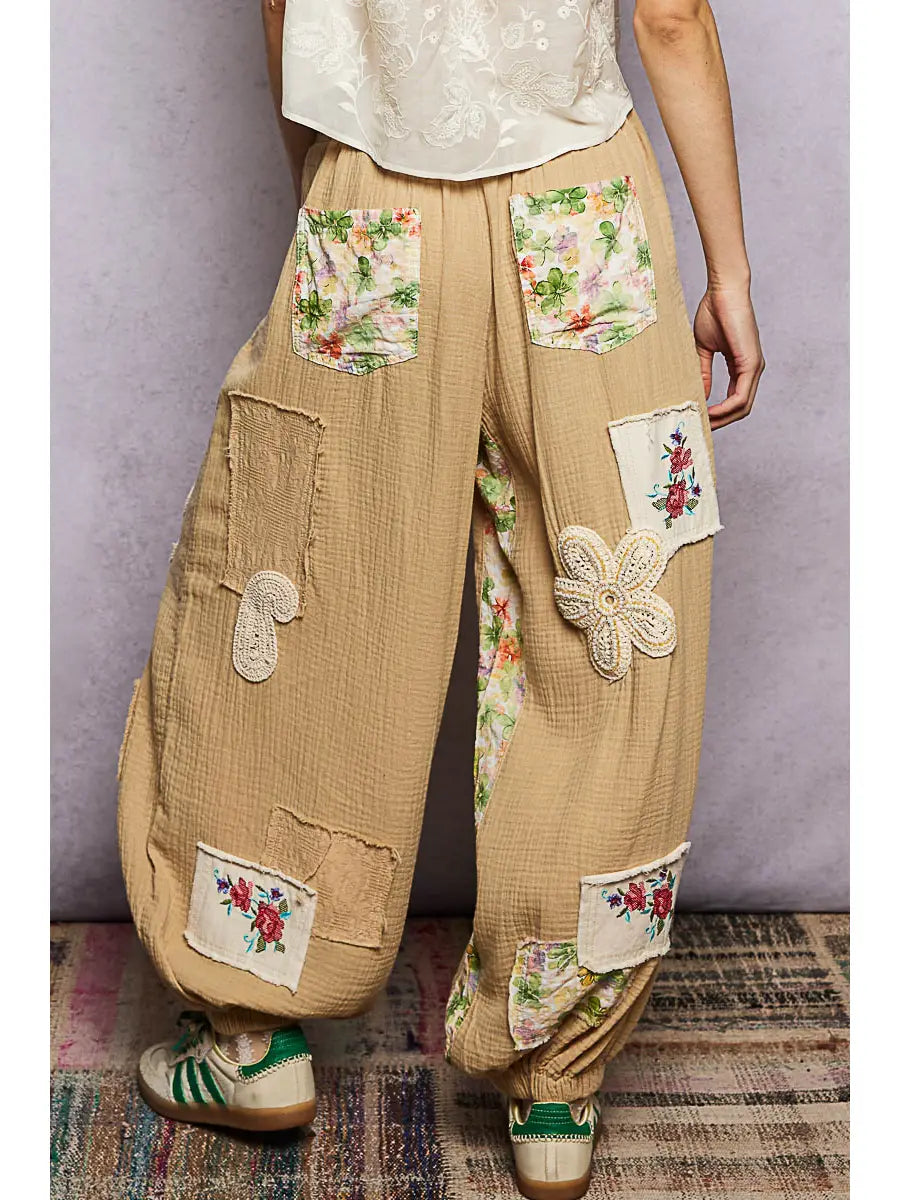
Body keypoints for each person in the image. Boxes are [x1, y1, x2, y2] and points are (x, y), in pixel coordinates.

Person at [117, 2, 764, 1197]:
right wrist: (729, 271)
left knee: (310, 586)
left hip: (380, 200)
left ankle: (253, 1036)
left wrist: (323, 187)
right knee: (614, 624)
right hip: (583, 208)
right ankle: (557, 1078)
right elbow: (669, 14)